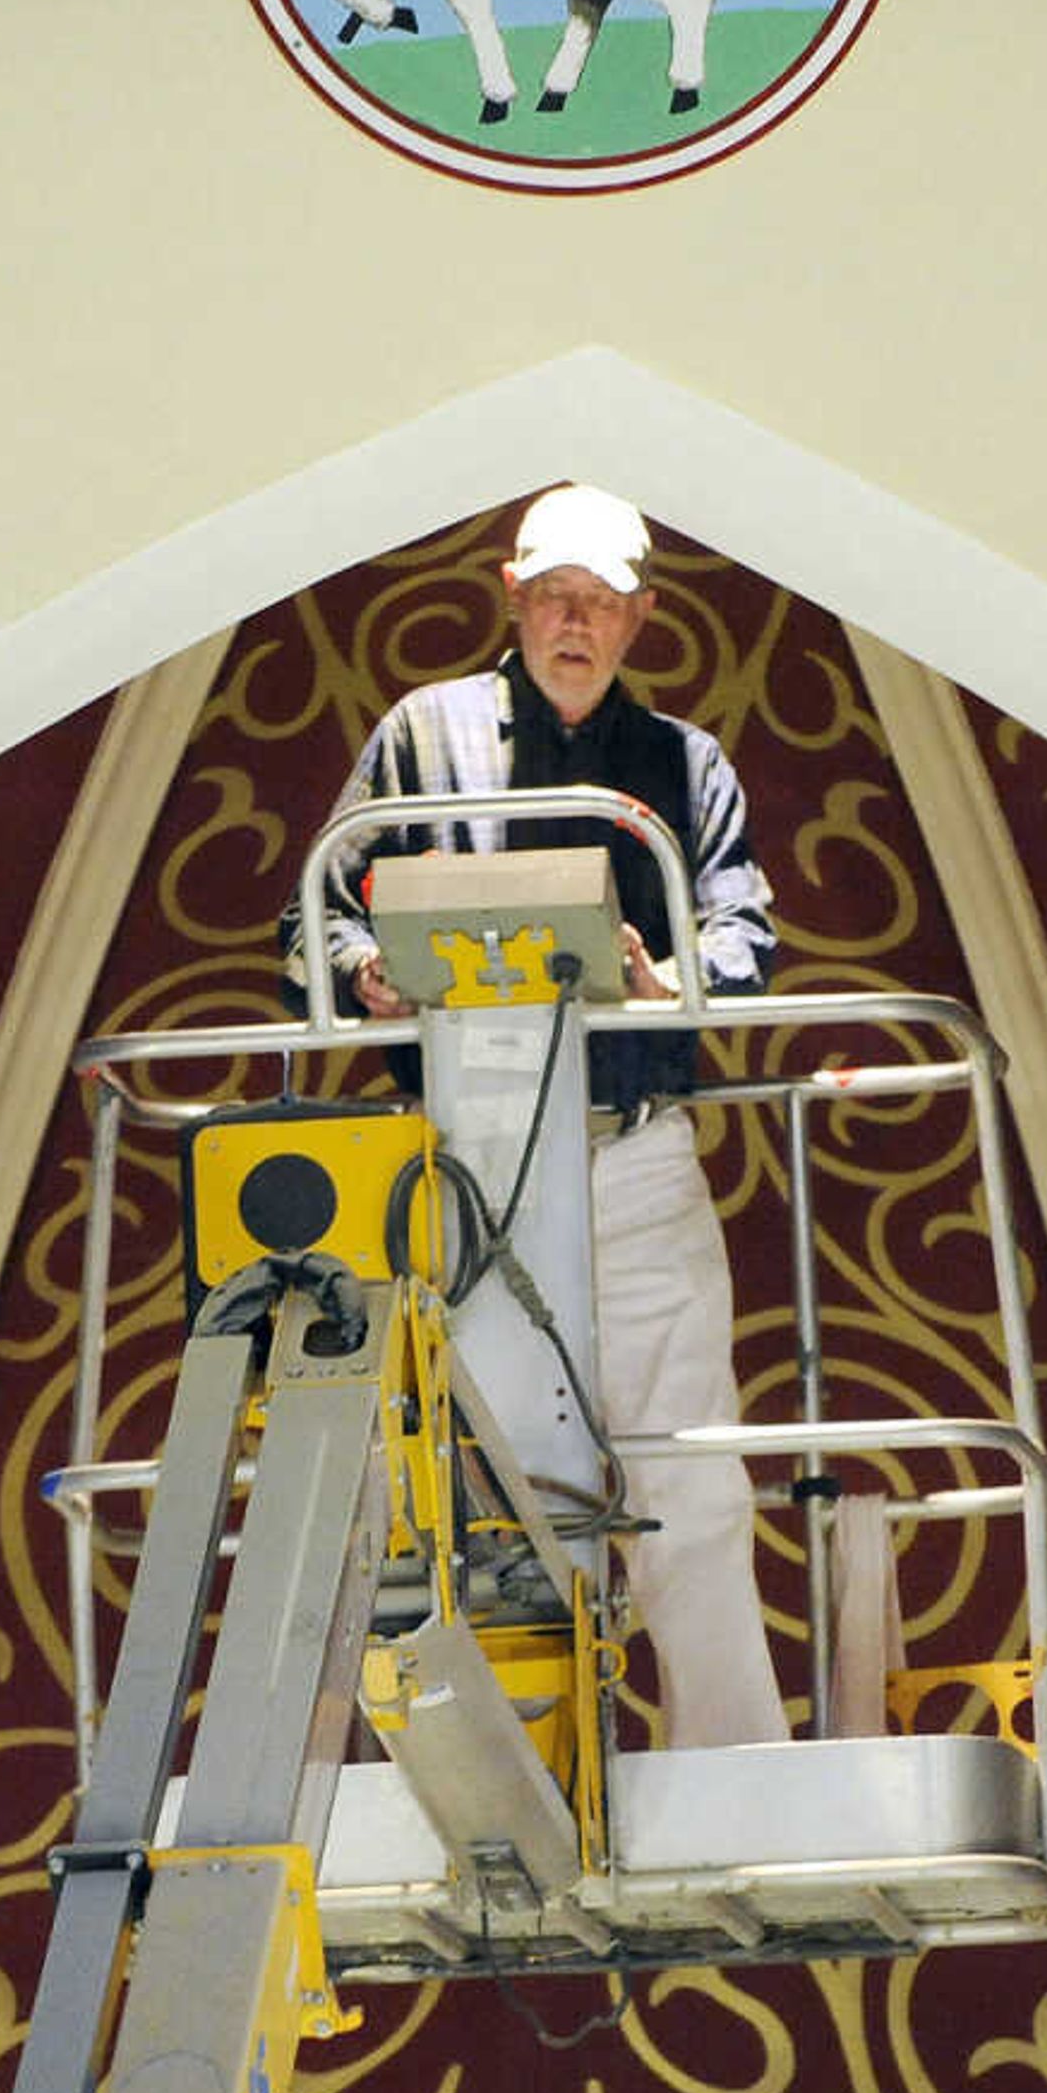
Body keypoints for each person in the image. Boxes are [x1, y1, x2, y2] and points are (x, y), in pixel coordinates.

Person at [286, 484, 788, 1749]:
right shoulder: (419, 733)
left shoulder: (687, 763)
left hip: (634, 1156)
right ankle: (520, 1775)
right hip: (471, 1155)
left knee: (689, 1470)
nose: (578, 620)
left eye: (604, 600)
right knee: (499, 1483)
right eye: (557, 594)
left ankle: (732, 1758)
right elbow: (312, 912)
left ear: (641, 617)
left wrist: (677, 977)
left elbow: (747, 931)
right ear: (510, 595)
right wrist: (363, 973)